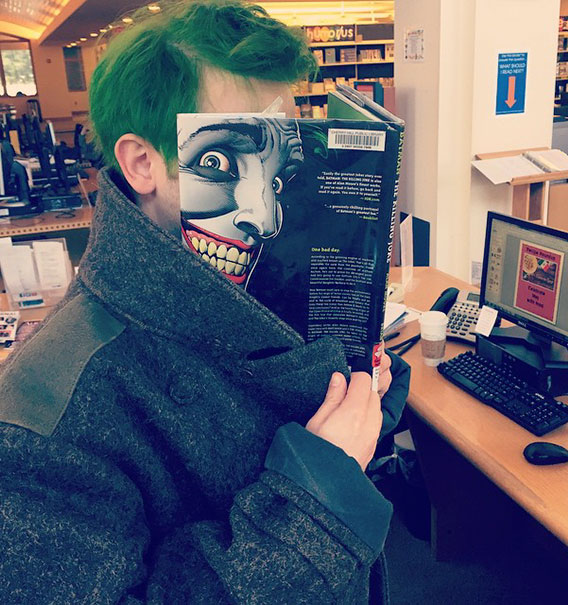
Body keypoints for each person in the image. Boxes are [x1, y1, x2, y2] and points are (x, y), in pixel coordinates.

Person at [0, 1, 410, 603]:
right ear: (143, 163)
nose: (266, 217)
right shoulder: (43, 421)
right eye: (221, 162)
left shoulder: (252, 279)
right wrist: (320, 492)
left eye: (279, 169)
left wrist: (352, 402)